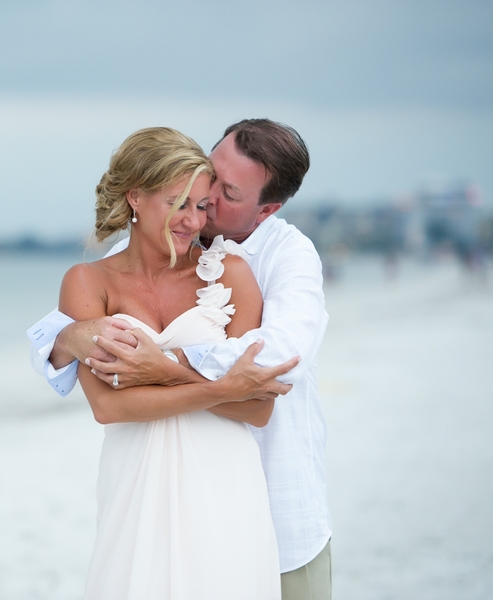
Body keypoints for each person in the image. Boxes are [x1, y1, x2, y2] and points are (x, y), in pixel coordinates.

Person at [28, 119, 331, 600]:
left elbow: (271, 378)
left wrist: (164, 370)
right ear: (136, 198)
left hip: (261, 491)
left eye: (214, 197)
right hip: (137, 487)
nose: (198, 212)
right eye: (183, 198)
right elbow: (104, 400)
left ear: (265, 208)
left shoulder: (266, 261)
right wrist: (67, 336)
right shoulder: (103, 271)